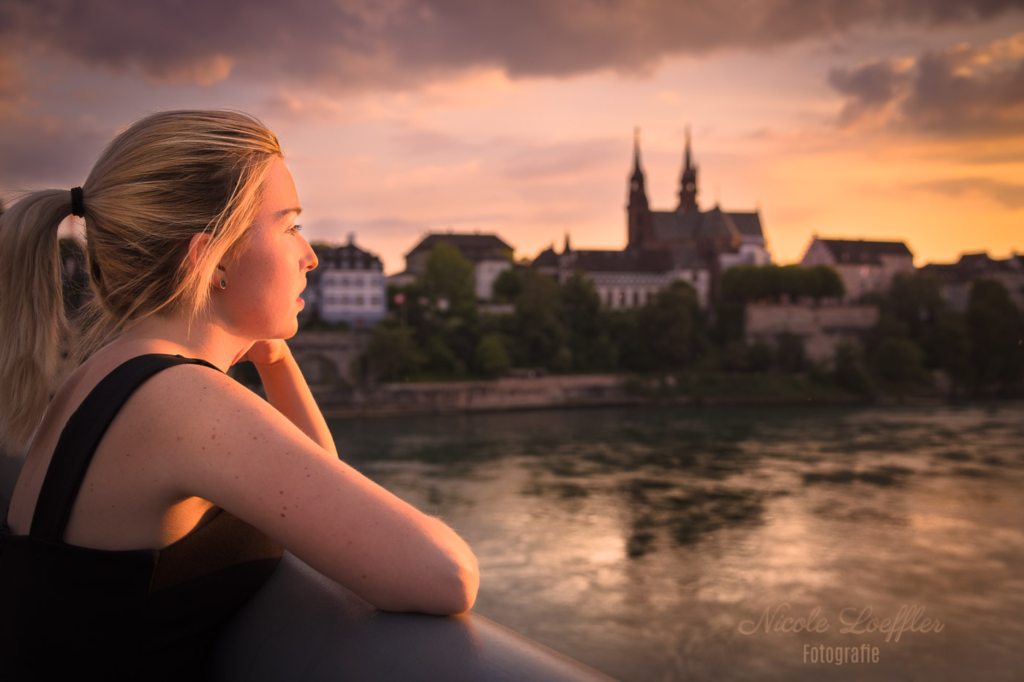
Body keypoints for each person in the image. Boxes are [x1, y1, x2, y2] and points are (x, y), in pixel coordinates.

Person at [0, 110, 479, 679]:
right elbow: (446, 575)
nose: (311, 255)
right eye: (290, 226)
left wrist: (275, 358)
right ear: (212, 258)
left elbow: (318, 494)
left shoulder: (103, 375)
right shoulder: (183, 400)